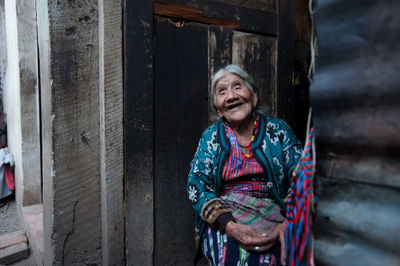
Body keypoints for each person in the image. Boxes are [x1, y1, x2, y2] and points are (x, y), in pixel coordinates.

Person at [187, 65, 303, 266]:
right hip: (226, 217)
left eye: (237, 87)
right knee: (236, 256)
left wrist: (290, 222)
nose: (231, 96)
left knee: (291, 252)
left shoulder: (278, 131)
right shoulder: (211, 137)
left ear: (254, 96)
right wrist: (229, 226)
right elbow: (196, 185)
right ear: (218, 108)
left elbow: (303, 177)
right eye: (222, 92)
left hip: (278, 215)